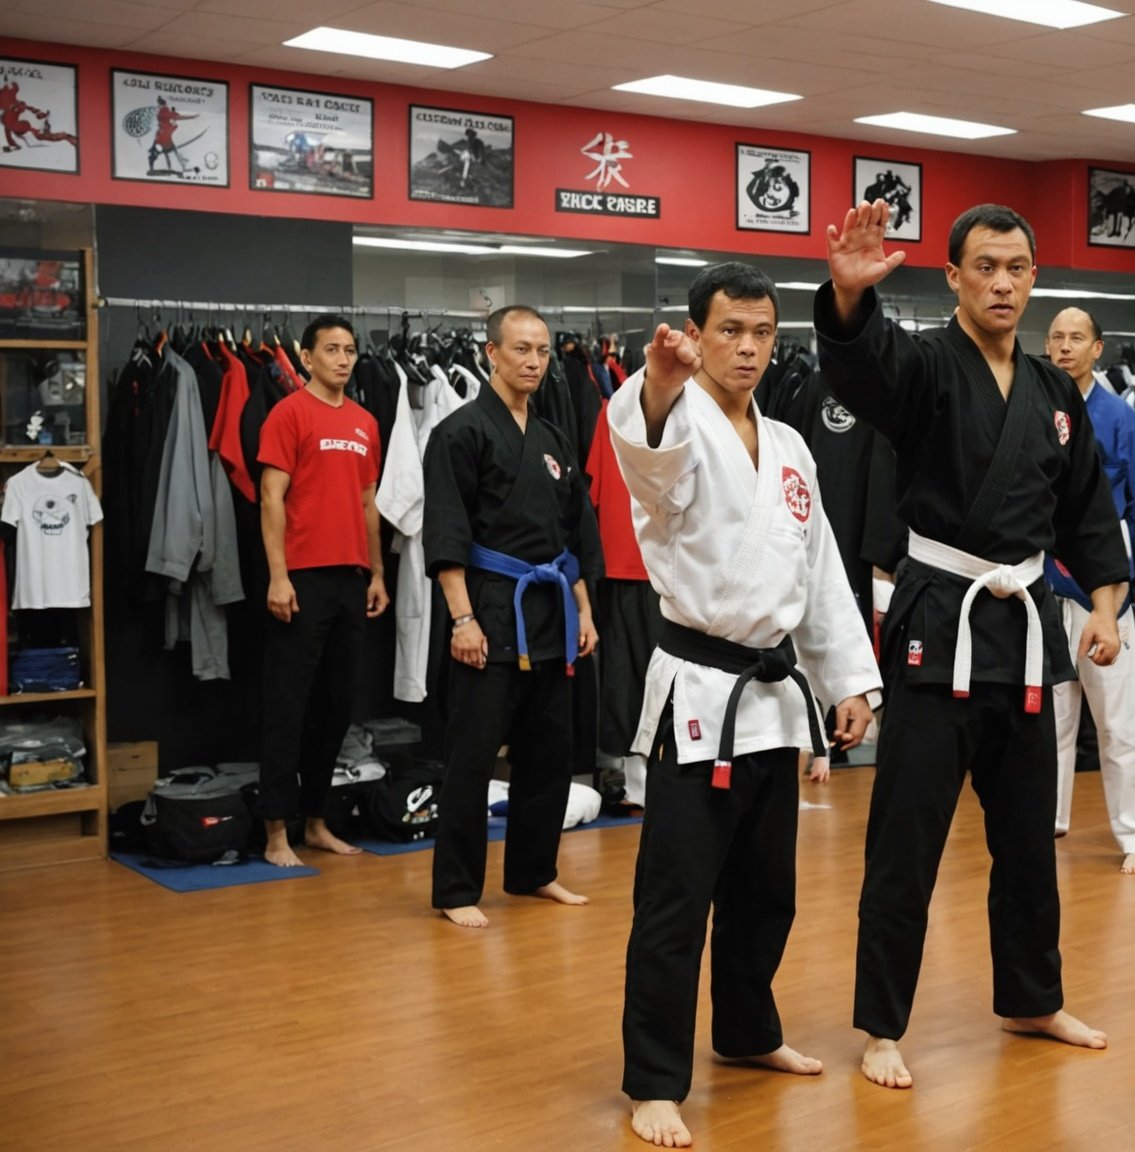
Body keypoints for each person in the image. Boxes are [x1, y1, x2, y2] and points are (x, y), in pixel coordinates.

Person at [815, 200, 1129, 1090]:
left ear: (1034, 279)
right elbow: (863, 366)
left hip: (1024, 633)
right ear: (953, 276)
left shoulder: (1055, 394)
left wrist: (1106, 607)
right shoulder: (922, 366)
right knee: (906, 840)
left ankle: (1032, 997)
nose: (1002, 283)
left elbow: (1087, 514)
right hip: (938, 625)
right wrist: (849, 298)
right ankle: (882, 1025)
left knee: (1028, 839)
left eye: (1016, 268)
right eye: (984, 267)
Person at [612, 263, 881, 1149]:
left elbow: (820, 571)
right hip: (699, 694)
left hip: (772, 697)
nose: (749, 348)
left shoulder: (793, 445)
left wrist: (849, 679)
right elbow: (647, 468)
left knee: (767, 893)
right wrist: (658, 386)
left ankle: (746, 1030)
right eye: (730, 330)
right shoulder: (674, 418)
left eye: (763, 332)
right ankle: (655, 1080)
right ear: (697, 333)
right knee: (676, 898)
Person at [423, 305, 602, 929]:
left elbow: (575, 533)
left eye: (543, 351)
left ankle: (533, 872)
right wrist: (462, 620)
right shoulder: (459, 432)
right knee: (472, 759)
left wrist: (584, 611)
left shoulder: (553, 438)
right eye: (521, 349)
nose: (534, 361)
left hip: (550, 612)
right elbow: (446, 531)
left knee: (548, 755)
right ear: (491, 354)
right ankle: (455, 888)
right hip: (490, 608)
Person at [255, 315, 390, 868]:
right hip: (302, 578)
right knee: (287, 707)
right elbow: (271, 497)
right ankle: (275, 833)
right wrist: (278, 575)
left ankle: (315, 822)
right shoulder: (288, 413)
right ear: (307, 358)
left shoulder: (364, 422)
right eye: (331, 349)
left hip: (350, 578)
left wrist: (377, 573)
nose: (343, 359)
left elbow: (368, 502)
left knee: (335, 709)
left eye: (350, 350)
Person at [1043, 307, 1135, 874]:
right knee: (1051, 717)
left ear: (1097, 349)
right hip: (1045, 584)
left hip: (1103, 594)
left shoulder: (1122, 419)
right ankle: (1050, 818)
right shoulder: (1035, 406)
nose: (1065, 347)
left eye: (1076, 338)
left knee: (1117, 720)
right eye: (1057, 337)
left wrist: (1117, 587)